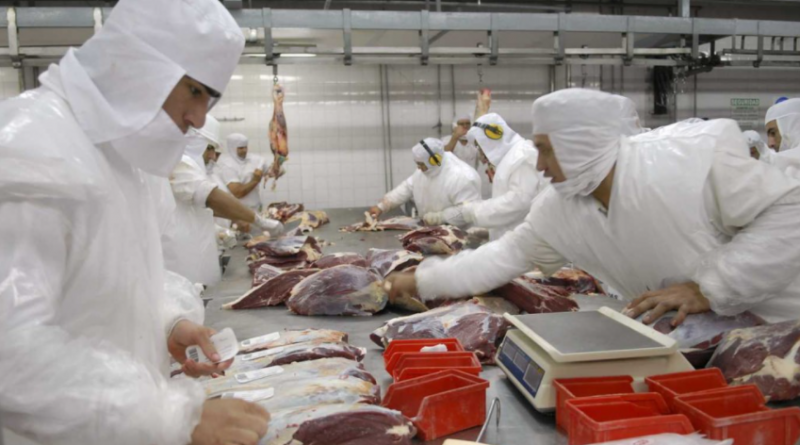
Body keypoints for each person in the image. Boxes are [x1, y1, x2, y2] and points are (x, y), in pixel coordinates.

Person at [0, 0, 271, 444]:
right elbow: (11, 351)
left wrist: (166, 321)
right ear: (140, 65)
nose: (198, 118)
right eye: (195, 91)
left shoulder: (124, 156)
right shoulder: (31, 147)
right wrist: (172, 416)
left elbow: (124, 273)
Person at [387, 88, 800, 327]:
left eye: (547, 150)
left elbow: (790, 212)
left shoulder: (690, 156)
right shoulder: (561, 207)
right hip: (696, 340)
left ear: (579, 143)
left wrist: (709, 288)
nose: (540, 165)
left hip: (777, 332)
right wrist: (423, 280)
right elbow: (503, 256)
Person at [163, 118, 283, 286]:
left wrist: (221, 228)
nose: (213, 156)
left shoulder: (192, 166)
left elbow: (196, 206)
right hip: (184, 258)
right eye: (209, 148)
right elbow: (210, 197)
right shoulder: (179, 162)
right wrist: (259, 221)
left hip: (198, 250)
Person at [461, 113, 547, 240]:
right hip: (514, 238)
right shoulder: (510, 157)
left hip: (524, 243)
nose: (480, 151)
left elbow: (519, 202)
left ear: (493, 136)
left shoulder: (521, 156)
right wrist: (491, 232)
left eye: (480, 146)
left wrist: (475, 211)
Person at [369, 138, 482, 227]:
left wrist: (440, 217)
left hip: (459, 236)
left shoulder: (462, 176)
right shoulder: (426, 170)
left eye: (421, 164)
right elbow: (407, 187)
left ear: (434, 160)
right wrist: (382, 206)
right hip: (432, 232)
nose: (418, 168)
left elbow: (468, 210)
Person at [216, 132, 265, 210]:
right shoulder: (227, 165)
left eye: (246, 147)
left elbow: (273, 172)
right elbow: (238, 192)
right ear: (232, 148)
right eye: (241, 148)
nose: (245, 150)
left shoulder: (252, 159)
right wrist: (255, 180)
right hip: (239, 212)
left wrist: (276, 168)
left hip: (255, 207)